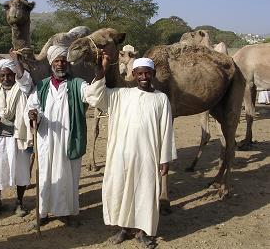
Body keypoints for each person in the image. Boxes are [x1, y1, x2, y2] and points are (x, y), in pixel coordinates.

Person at [84, 54, 177, 247]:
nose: (144, 77)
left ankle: (143, 231)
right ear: (133, 74)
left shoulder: (161, 99)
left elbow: (166, 130)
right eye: (140, 73)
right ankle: (124, 229)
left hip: (147, 156)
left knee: (145, 192)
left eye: (148, 73)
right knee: (122, 191)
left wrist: (165, 158)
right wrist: (100, 71)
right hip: (121, 156)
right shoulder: (121, 95)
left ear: (153, 74)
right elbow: (94, 96)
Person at [26, 45, 89, 228]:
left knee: (68, 176)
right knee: (45, 175)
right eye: (56, 60)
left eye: (63, 60)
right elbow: (33, 107)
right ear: (51, 63)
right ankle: (43, 213)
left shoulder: (78, 84)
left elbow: (91, 95)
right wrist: (33, 116)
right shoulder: (42, 86)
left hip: (69, 139)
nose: (60, 64)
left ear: (67, 63)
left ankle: (66, 212)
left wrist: (101, 71)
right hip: (47, 139)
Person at [0, 51, 33, 217]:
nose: (6, 79)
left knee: (21, 172)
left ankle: (19, 203)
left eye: (10, 75)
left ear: (14, 75)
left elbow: (26, 80)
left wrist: (16, 61)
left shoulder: (23, 90)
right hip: (0, 140)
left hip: (19, 138)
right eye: (2, 75)